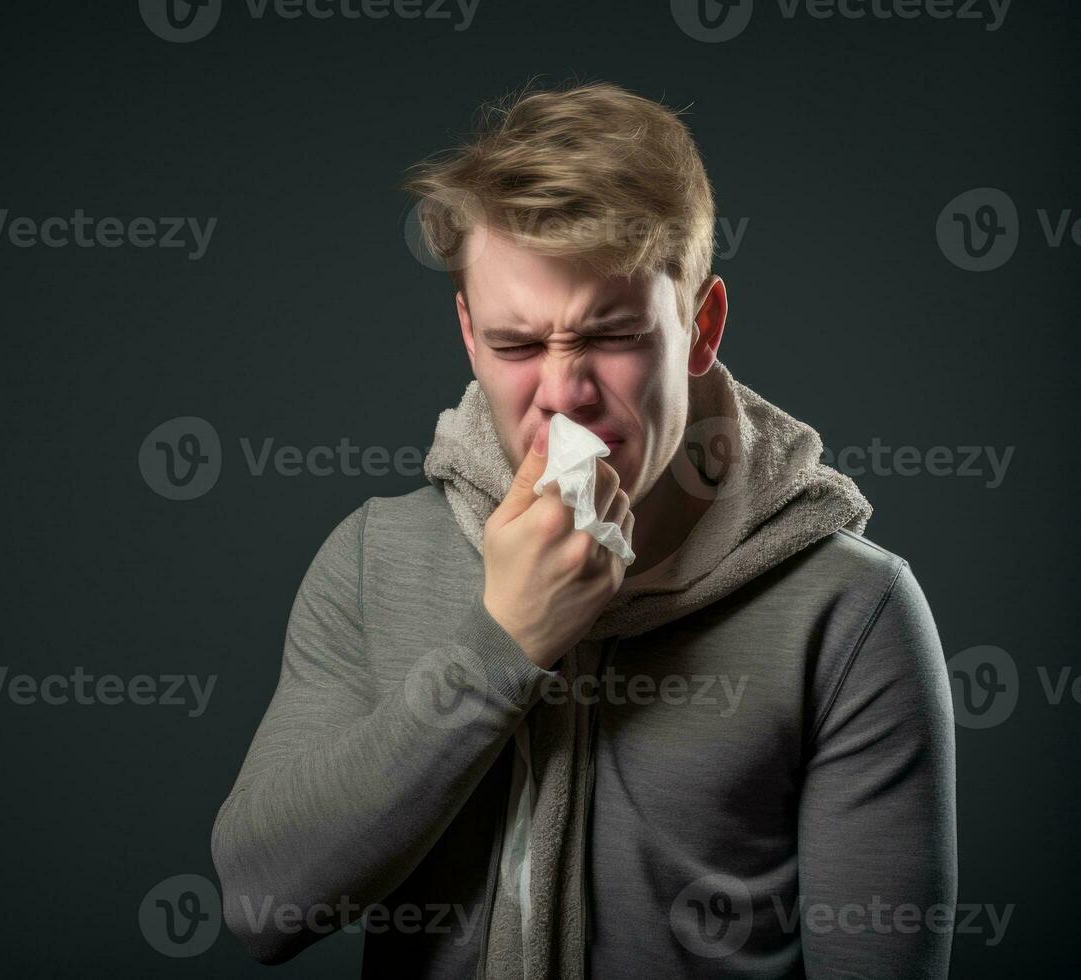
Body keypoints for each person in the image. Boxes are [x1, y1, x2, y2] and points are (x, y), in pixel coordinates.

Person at [211, 80, 957, 979]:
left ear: (698, 327)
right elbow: (262, 907)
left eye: (610, 335)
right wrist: (501, 646)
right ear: (467, 336)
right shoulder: (374, 559)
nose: (563, 393)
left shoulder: (848, 611)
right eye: (517, 346)